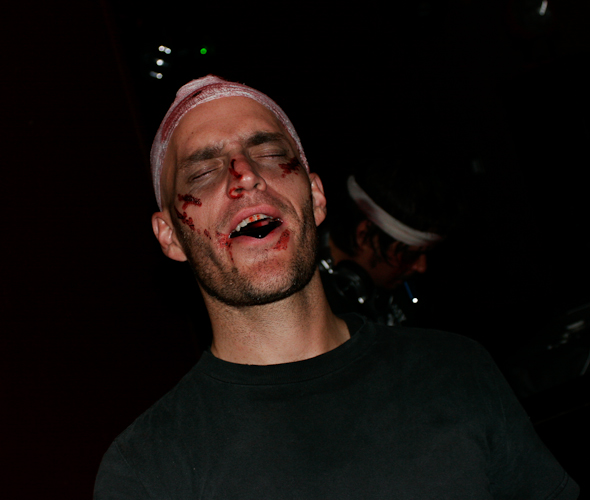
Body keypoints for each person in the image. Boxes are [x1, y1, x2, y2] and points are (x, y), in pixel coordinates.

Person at [94, 75, 578, 499]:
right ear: (170, 236)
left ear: (316, 196)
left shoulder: (458, 371)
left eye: (270, 154)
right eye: (202, 172)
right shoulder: (147, 468)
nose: (246, 176)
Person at [318, 146, 463, 326]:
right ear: (364, 235)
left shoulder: (408, 295)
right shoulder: (313, 310)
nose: (421, 266)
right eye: (409, 255)